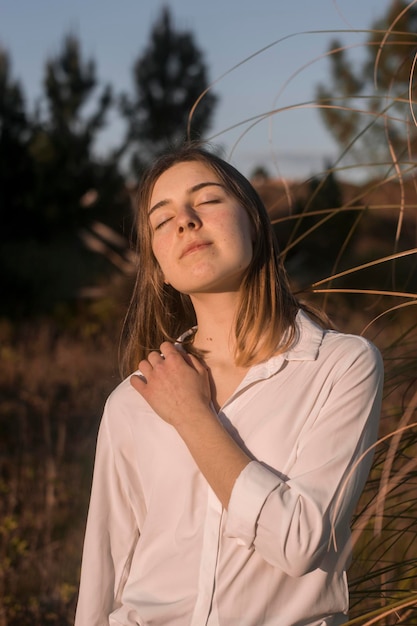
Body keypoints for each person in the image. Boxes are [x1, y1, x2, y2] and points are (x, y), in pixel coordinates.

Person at [74, 143, 384, 626]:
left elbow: (299, 542)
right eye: (162, 220)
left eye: (208, 199)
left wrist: (192, 415)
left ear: (253, 221)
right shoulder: (132, 401)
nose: (185, 220)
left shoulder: (341, 367)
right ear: (158, 263)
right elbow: (105, 571)